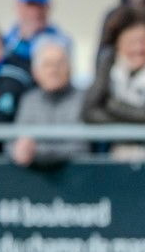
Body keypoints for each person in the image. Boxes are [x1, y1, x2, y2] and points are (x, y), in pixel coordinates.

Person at [84, 7, 145, 129]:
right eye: (131, 42)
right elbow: (89, 111)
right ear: (118, 44)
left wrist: (111, 104)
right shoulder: (108, 62)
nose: (138, 49)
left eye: (144, 41)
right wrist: (127, 125)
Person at [11, 36, 88, 165]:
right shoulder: (29, 100)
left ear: (70, 68)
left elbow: (80, 148)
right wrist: (18, 151)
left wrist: (36, 152)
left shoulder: (83, 99)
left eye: (60, 64)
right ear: (35, 72)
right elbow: (13, 143)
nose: (54, 70)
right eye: (47, 65)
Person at [4, 0, 72, 64]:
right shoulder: (6, 38)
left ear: (48, 7)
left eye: (40, 6)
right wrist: (24, 38)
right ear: (18, 6)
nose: (35, 12)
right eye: (30, 5)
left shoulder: (61, 40)